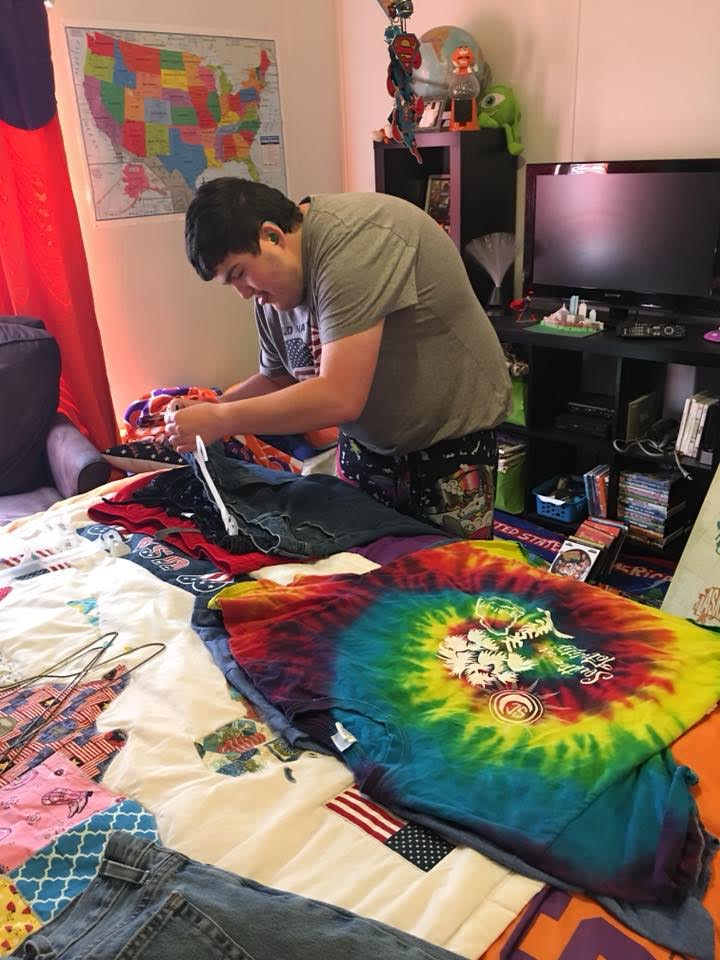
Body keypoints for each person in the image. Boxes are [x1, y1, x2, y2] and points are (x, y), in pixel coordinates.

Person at [167, 177, 511, 538]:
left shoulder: (356, 242)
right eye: (230, 283)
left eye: (239, 274)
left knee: (451, 583)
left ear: (271, 236)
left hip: (448, 444)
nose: (242, 293)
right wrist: (210, 408)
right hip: (366, 445)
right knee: (362, 568)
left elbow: (339, 397)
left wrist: (222, 419)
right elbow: (277, 379)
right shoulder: (271, 292)